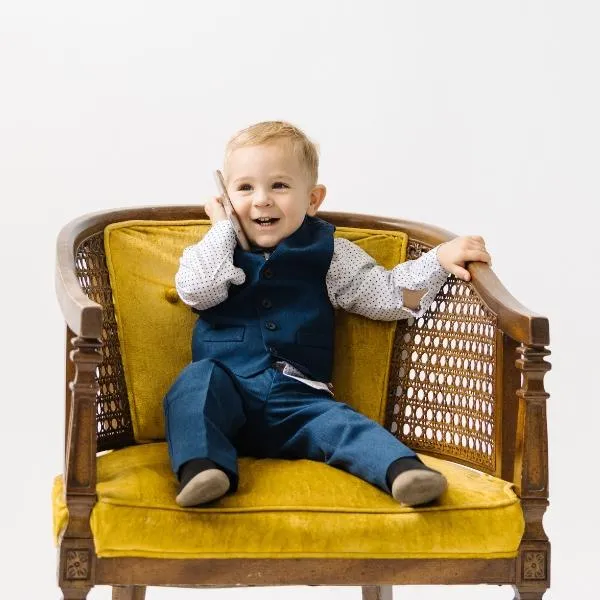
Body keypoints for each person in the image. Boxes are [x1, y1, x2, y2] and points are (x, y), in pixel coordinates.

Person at [163, 120, 492, 508]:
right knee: (194, 385)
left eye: (280, 185)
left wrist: (439, 259)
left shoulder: (330, 253)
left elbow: (385, 294)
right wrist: (221, 228)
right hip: (226, 389)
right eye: (245, 188)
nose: (262, 199)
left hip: (299, 396)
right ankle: (203, 468)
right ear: (224, 197)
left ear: (313, 199)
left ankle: (403, 471)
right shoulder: (212, 252)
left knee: (342, 425)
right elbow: (199, 291)